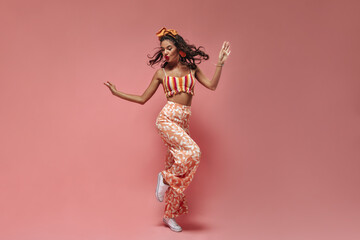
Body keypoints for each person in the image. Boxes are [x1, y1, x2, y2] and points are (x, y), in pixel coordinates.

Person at [104, 27, 231, 232]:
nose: (165, 53)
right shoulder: (161, 73)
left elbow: (212, 86)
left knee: (185, 168)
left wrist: (221, 63)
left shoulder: (192, 69)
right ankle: (164, 178)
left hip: (183, 124)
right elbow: (143, 99)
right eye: (163, 49)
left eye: (169, 48)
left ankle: (169, 216)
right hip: (167, 119)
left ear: (178, 48)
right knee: (194, 153)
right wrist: (117, 93)